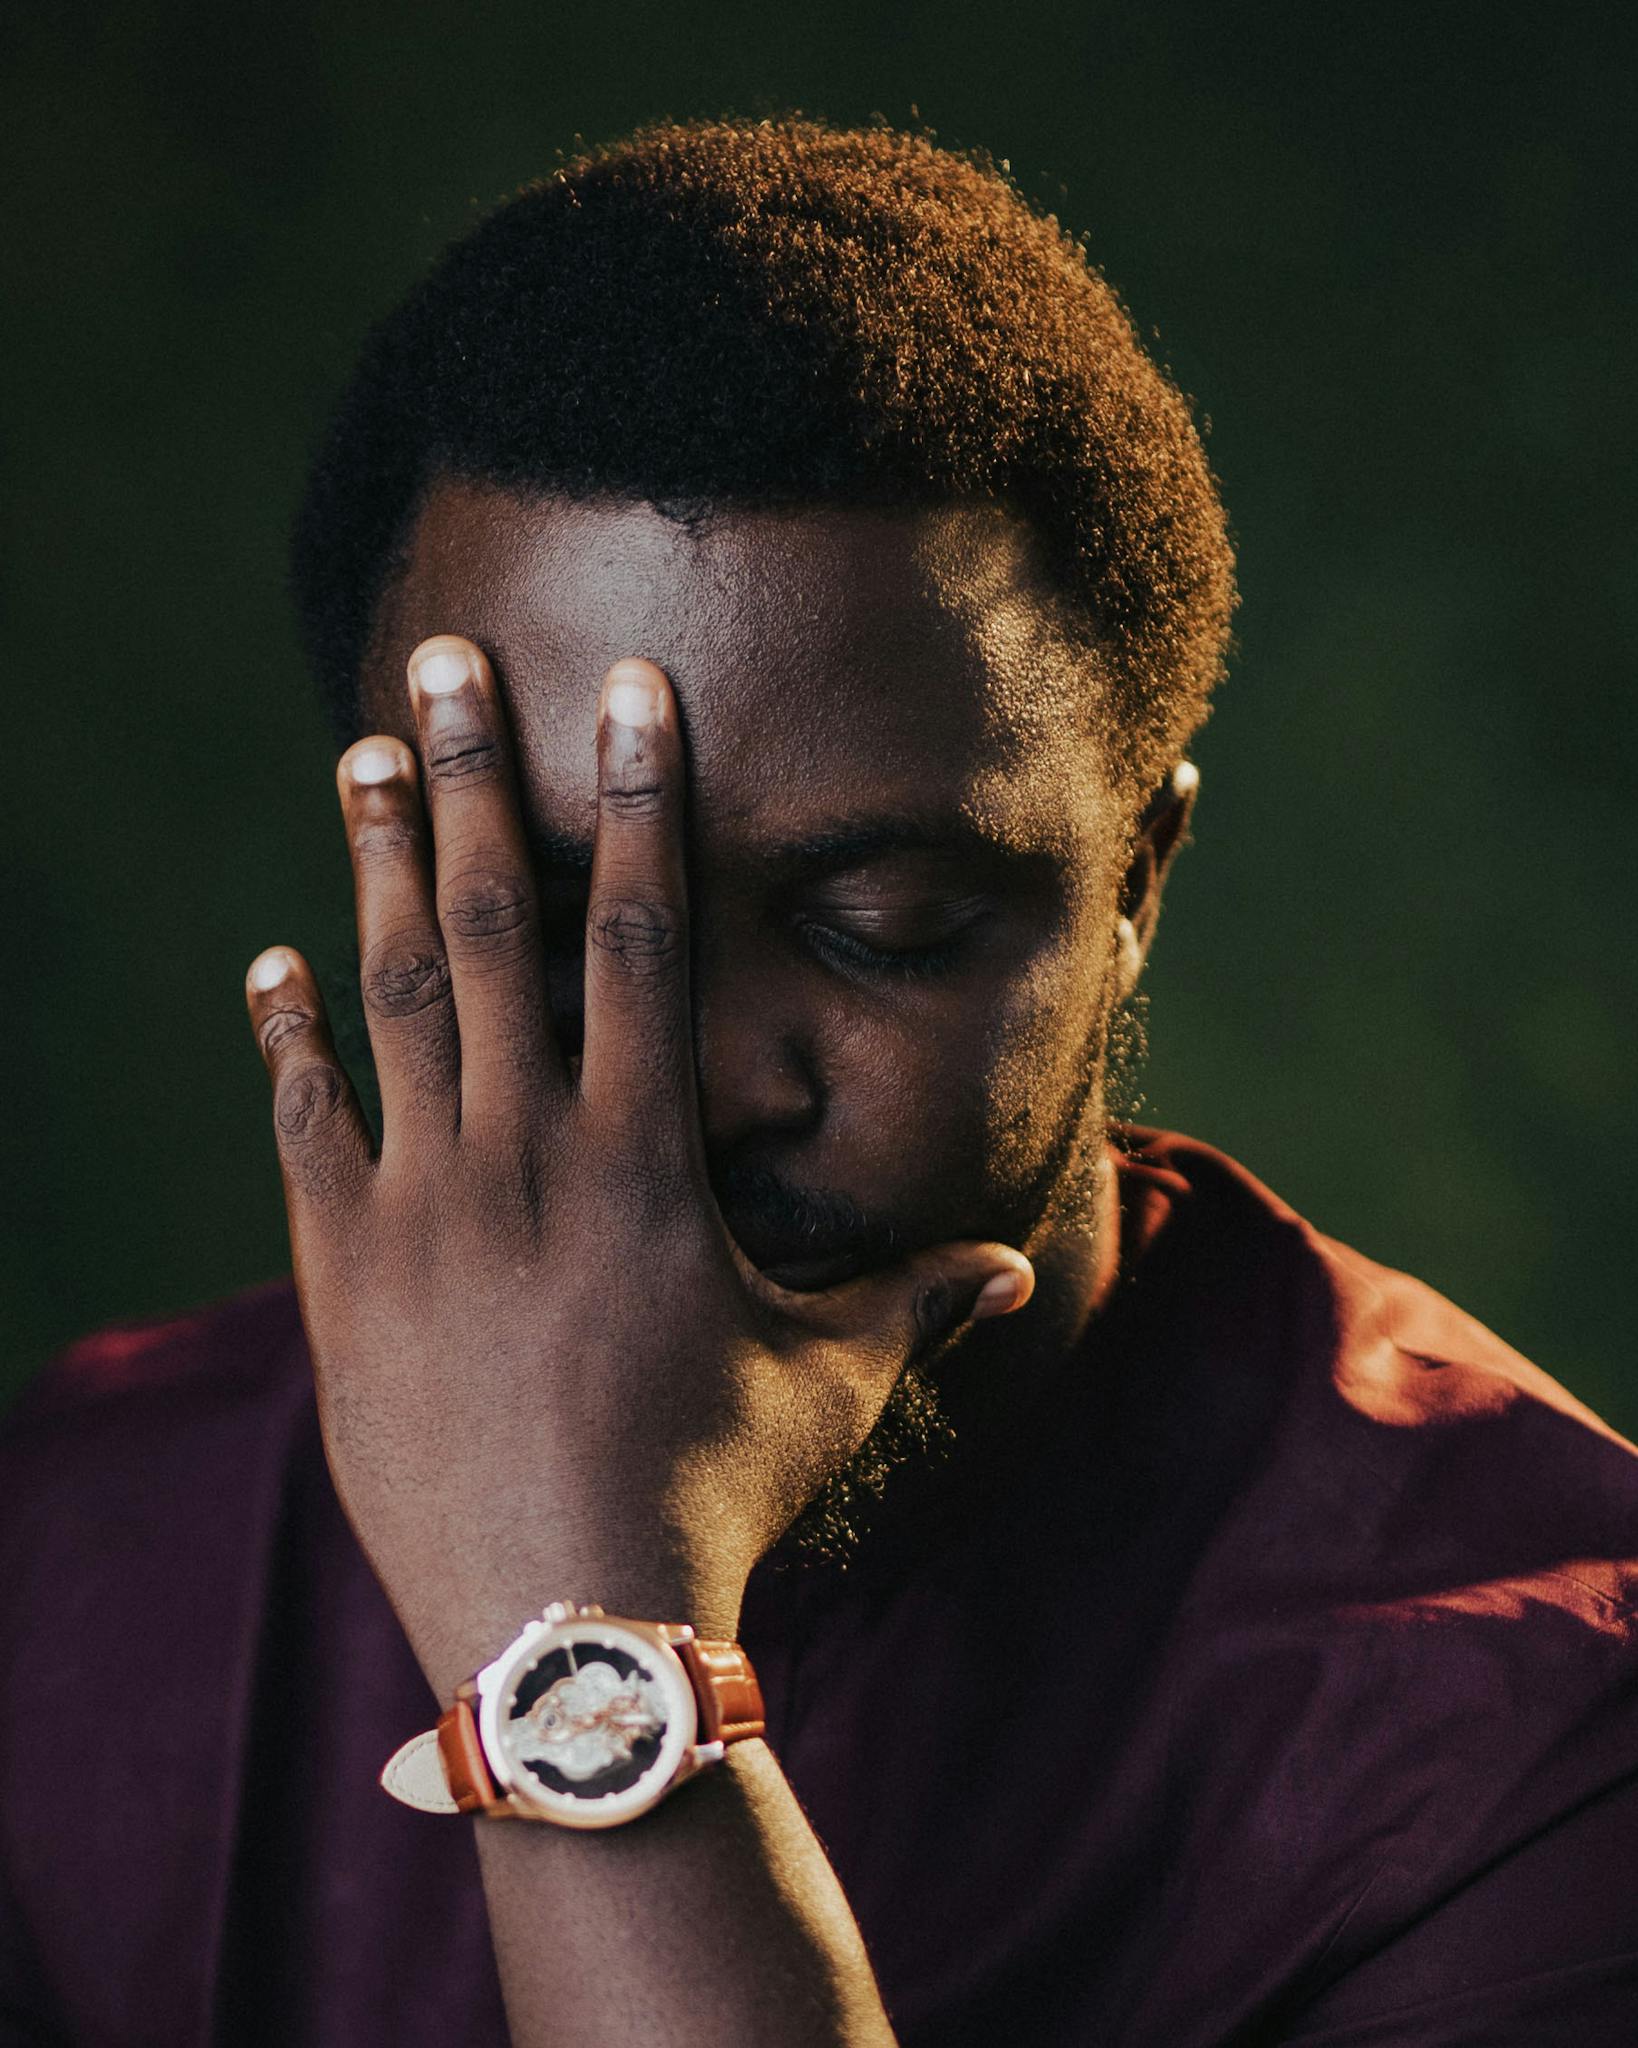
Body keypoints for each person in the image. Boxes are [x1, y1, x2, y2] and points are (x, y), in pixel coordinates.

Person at [3, 116, 1635, 2048]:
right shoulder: (68, 1560)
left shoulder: (1535, 1748)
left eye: (879, 922)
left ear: (1139, 888)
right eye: (531, 911)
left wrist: (584, 1626)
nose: (679, 1093)